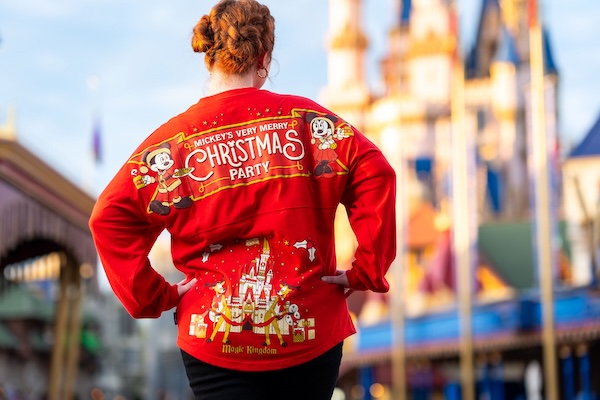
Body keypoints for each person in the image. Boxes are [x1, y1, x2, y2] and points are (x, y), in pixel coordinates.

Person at [88, 0, 396, 399]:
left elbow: (109, 218)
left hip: (214, 335)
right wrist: (366, 270)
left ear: (209, 56)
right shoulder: (306, 122)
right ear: (264, 58)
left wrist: (155, 296)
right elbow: (375, 172)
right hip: (308, 330)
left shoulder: (175, 144)